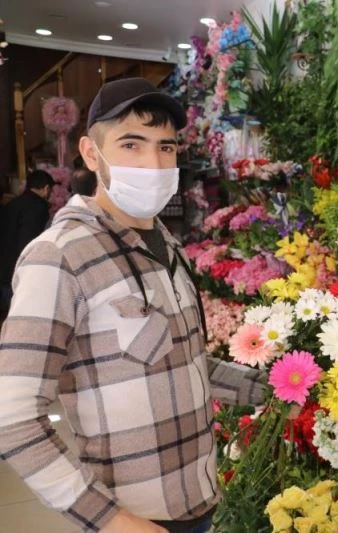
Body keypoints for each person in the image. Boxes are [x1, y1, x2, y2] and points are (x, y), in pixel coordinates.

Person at [0, 78, 266, 533]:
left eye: (166, 148)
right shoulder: (60, 254)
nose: (153, 163)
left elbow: (184, 361)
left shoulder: (167, 244)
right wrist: (111, 520)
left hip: (200, 502)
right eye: (131, 144)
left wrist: (274, 388)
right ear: (90, 153)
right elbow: (15, 415)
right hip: (133, 518)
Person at [0, 169, 54, 318]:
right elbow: (29, 241)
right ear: (46, 188)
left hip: (5, 267)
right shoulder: (38, 207)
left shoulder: (13, 203)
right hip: (18, 270)